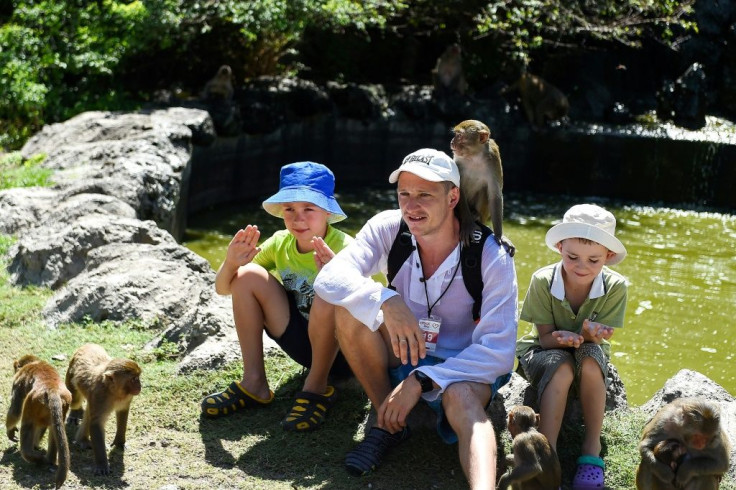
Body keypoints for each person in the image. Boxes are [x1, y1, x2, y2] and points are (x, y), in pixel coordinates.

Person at [313, 148, 518, 488]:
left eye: (425, 195)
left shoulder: (491, 253)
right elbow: (330, 278)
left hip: (463, 367)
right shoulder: (388, 228)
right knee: (347, 308)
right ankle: (387, 423)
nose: (411, 206)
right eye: (404, 194)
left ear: (453, 197)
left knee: (463, 402)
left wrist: (421, 380)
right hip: (404, 348)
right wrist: (386, 300)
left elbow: (497, 352)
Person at [201, 161, 353, 432]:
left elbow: (365, 312)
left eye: (309, 208)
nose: (298, 218)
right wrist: (232, 262)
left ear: (328, 212)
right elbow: (226, 289)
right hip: (301, 341)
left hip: (344, 353)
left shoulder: (346, 247)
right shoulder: (281, 242)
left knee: (332, 286)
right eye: (290, 209)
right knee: (247, 275)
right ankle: (254, 383)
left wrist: (335, 275)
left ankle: (317, 387)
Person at [515, 203, 628, 489]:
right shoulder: (543, 280)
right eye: (572, 256)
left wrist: (589, 335)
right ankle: (546, 452)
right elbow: (543, 337)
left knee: (590, 357)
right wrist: (561, 339)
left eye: (594, 260)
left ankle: (591, 453)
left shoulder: (616, 287)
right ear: (560, 247)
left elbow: (599, 340)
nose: (581, 266)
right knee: (561, 366)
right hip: (544, 349)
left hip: (589, 350)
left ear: (609, 256)